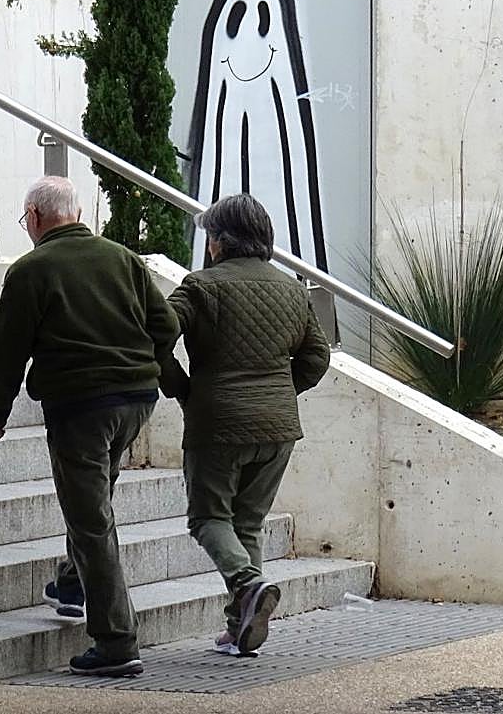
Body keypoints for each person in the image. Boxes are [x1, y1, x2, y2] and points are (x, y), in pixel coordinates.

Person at [0, 176, 180, 677]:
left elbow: (5, 353)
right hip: (136, 401)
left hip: (81, 408)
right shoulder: (123, 259)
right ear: (75, 213)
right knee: (93, 502)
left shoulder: (31, 270)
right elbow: (166, 324)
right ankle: (73, 582)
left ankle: (116, 642)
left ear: (34, 217)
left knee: (92, 519)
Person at [160, 193, 331, 657]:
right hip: (278, 429)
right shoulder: (292, 289)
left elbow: (156, 334)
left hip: (217, 423)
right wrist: (280, 392)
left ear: (219, 241)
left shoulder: (200, 287)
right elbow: (318, 356)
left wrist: (180, 387)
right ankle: (241, 627)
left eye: (210, 237)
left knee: (209, 518)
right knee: (248, 523)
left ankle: (248, 583)